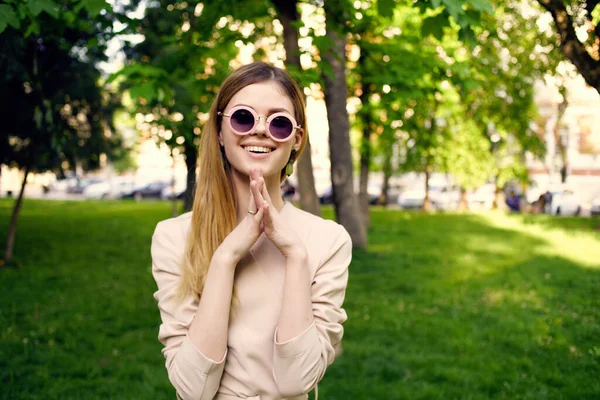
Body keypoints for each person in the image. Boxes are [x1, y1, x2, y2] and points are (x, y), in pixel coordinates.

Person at [151, 61, 352, 400]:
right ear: (219, 131)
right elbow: (193, 389)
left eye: (279, 123)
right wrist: (225, 257)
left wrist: (296, 256)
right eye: (244, 118)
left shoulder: (328, 241)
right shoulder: (173, 238)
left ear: (296, 139)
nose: (260, 131)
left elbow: (296, 380)